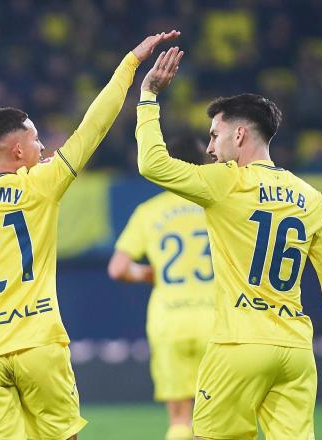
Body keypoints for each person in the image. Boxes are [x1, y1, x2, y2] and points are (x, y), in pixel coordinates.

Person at [0, 31, 180, 440]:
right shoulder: (42, 184)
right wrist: (130, 63)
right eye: (36, 139)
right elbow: (93, 127)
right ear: (19, 153)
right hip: (38, 345)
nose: (44, 147)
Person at [135, 47, 322, 440]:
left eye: (215, 136)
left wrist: (149, 96)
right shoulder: (310, 197)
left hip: (237, 345)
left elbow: (152, 163)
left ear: (239, 134)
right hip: (295, 351)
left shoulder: (225, 182)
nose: (210, 148)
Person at [108, 133, 215, 440]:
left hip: (168, 320)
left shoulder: (149, 211)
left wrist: (148, 274)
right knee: (216, 418)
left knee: (179, 417)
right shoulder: (217, 205)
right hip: (215, 320)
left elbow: (117, 268)